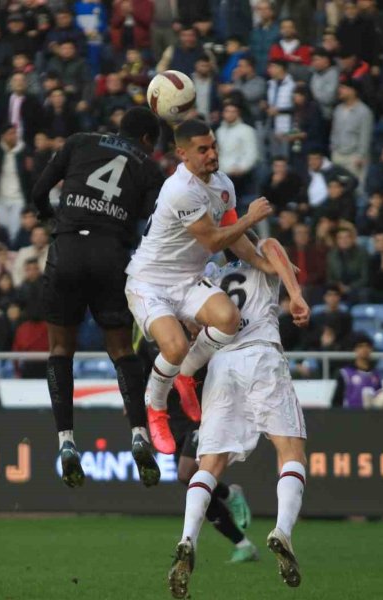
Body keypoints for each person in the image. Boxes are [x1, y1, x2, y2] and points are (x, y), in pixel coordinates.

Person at [29, 107, 167, 488]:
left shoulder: (78, 142)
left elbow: (38, 192)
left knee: (60, 350)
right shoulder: (149, 167)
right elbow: (154, 219)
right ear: (145, 141)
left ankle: (67, 442)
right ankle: (140, 434)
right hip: (111, 253)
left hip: (68, 248)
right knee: (122, 351)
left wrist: (52, 221)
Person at [166, 233, 309, 598]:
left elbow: (193, 325)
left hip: (221, 364)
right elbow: (276, 249)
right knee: (289, 450)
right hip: (261, 354)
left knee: (209, 466)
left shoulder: (211, 276)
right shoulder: (263, 255)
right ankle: (282, 531)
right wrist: (295, 295)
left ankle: (187, 538)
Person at [124, 119, 277, 457]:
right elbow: (211, 241)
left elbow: (231, 235)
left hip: (188, 279)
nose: (212, 154)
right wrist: (251, 218)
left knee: (228, 319)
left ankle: (185, 375)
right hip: (150, 282)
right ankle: (156, 407)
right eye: (203, 149)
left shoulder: (222, 184)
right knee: (175, 346)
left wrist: (263, 263)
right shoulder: (180, 189)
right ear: (183, 154)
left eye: (213, 146)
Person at [134, 325, 258, 563]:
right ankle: (242, 541)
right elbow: (141, 374)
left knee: (186, 473)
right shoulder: (151, 339)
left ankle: (229, 499)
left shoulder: (199, 328)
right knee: (197, 485)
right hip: (171, 418)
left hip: (202, 414)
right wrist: (134, 405)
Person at [331, 333, 381, 409]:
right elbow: (336, 402)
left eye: (367, 346)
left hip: (371, 417)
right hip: (350, 417)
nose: (365, 349)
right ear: (355, 349)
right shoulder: (345, 374)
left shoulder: (376, 375)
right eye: (360, 346)